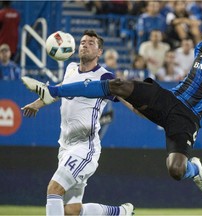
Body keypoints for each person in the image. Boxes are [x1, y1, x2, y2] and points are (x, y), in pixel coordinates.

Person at [22, 20, 202, 194]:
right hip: (168, 98)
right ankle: (51, 92)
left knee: (176, 170)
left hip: (188, 119)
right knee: (117, 84)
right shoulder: (201, 47)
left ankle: (196, 170)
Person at [21, 30, 134, 216]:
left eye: (91, 43)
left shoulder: (105, 77)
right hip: (65, 146)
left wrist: (148, 110)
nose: (85, 44)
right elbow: (58, 91)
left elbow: (126, 98)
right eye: (82, 42)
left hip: (85, 147)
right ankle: (120, 212)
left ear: (99, 52)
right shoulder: (71, 69)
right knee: (72, 211)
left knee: (54, 189)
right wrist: (37, 104)